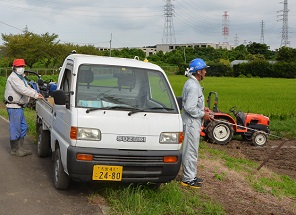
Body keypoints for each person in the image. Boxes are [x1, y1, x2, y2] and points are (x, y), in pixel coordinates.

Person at [181, 58, 213, 188]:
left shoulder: (192, 83)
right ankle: (188, 179)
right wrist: (202, 115)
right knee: (190, 151)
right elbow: (189, 107)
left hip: (192, 122)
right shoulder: (193, 86)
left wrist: (202, 109)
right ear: (199, 71)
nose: (205, 72)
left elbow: (192, 104)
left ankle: (191, 176)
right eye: (204, 69)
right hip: (191, 123)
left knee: (192, 150)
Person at [4, 58, 43, 157]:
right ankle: (15, 150)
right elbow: (22, 90)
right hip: (14, 107)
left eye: (22, 66)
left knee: (23, 127)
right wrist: (35, 95)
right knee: (15, 128)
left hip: (19, 107)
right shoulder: (13, 78)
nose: (21, 68)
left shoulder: (20, 77)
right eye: (19, 66)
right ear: (14, 68)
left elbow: (27, 87)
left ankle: (19, 147)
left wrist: (36, 93)